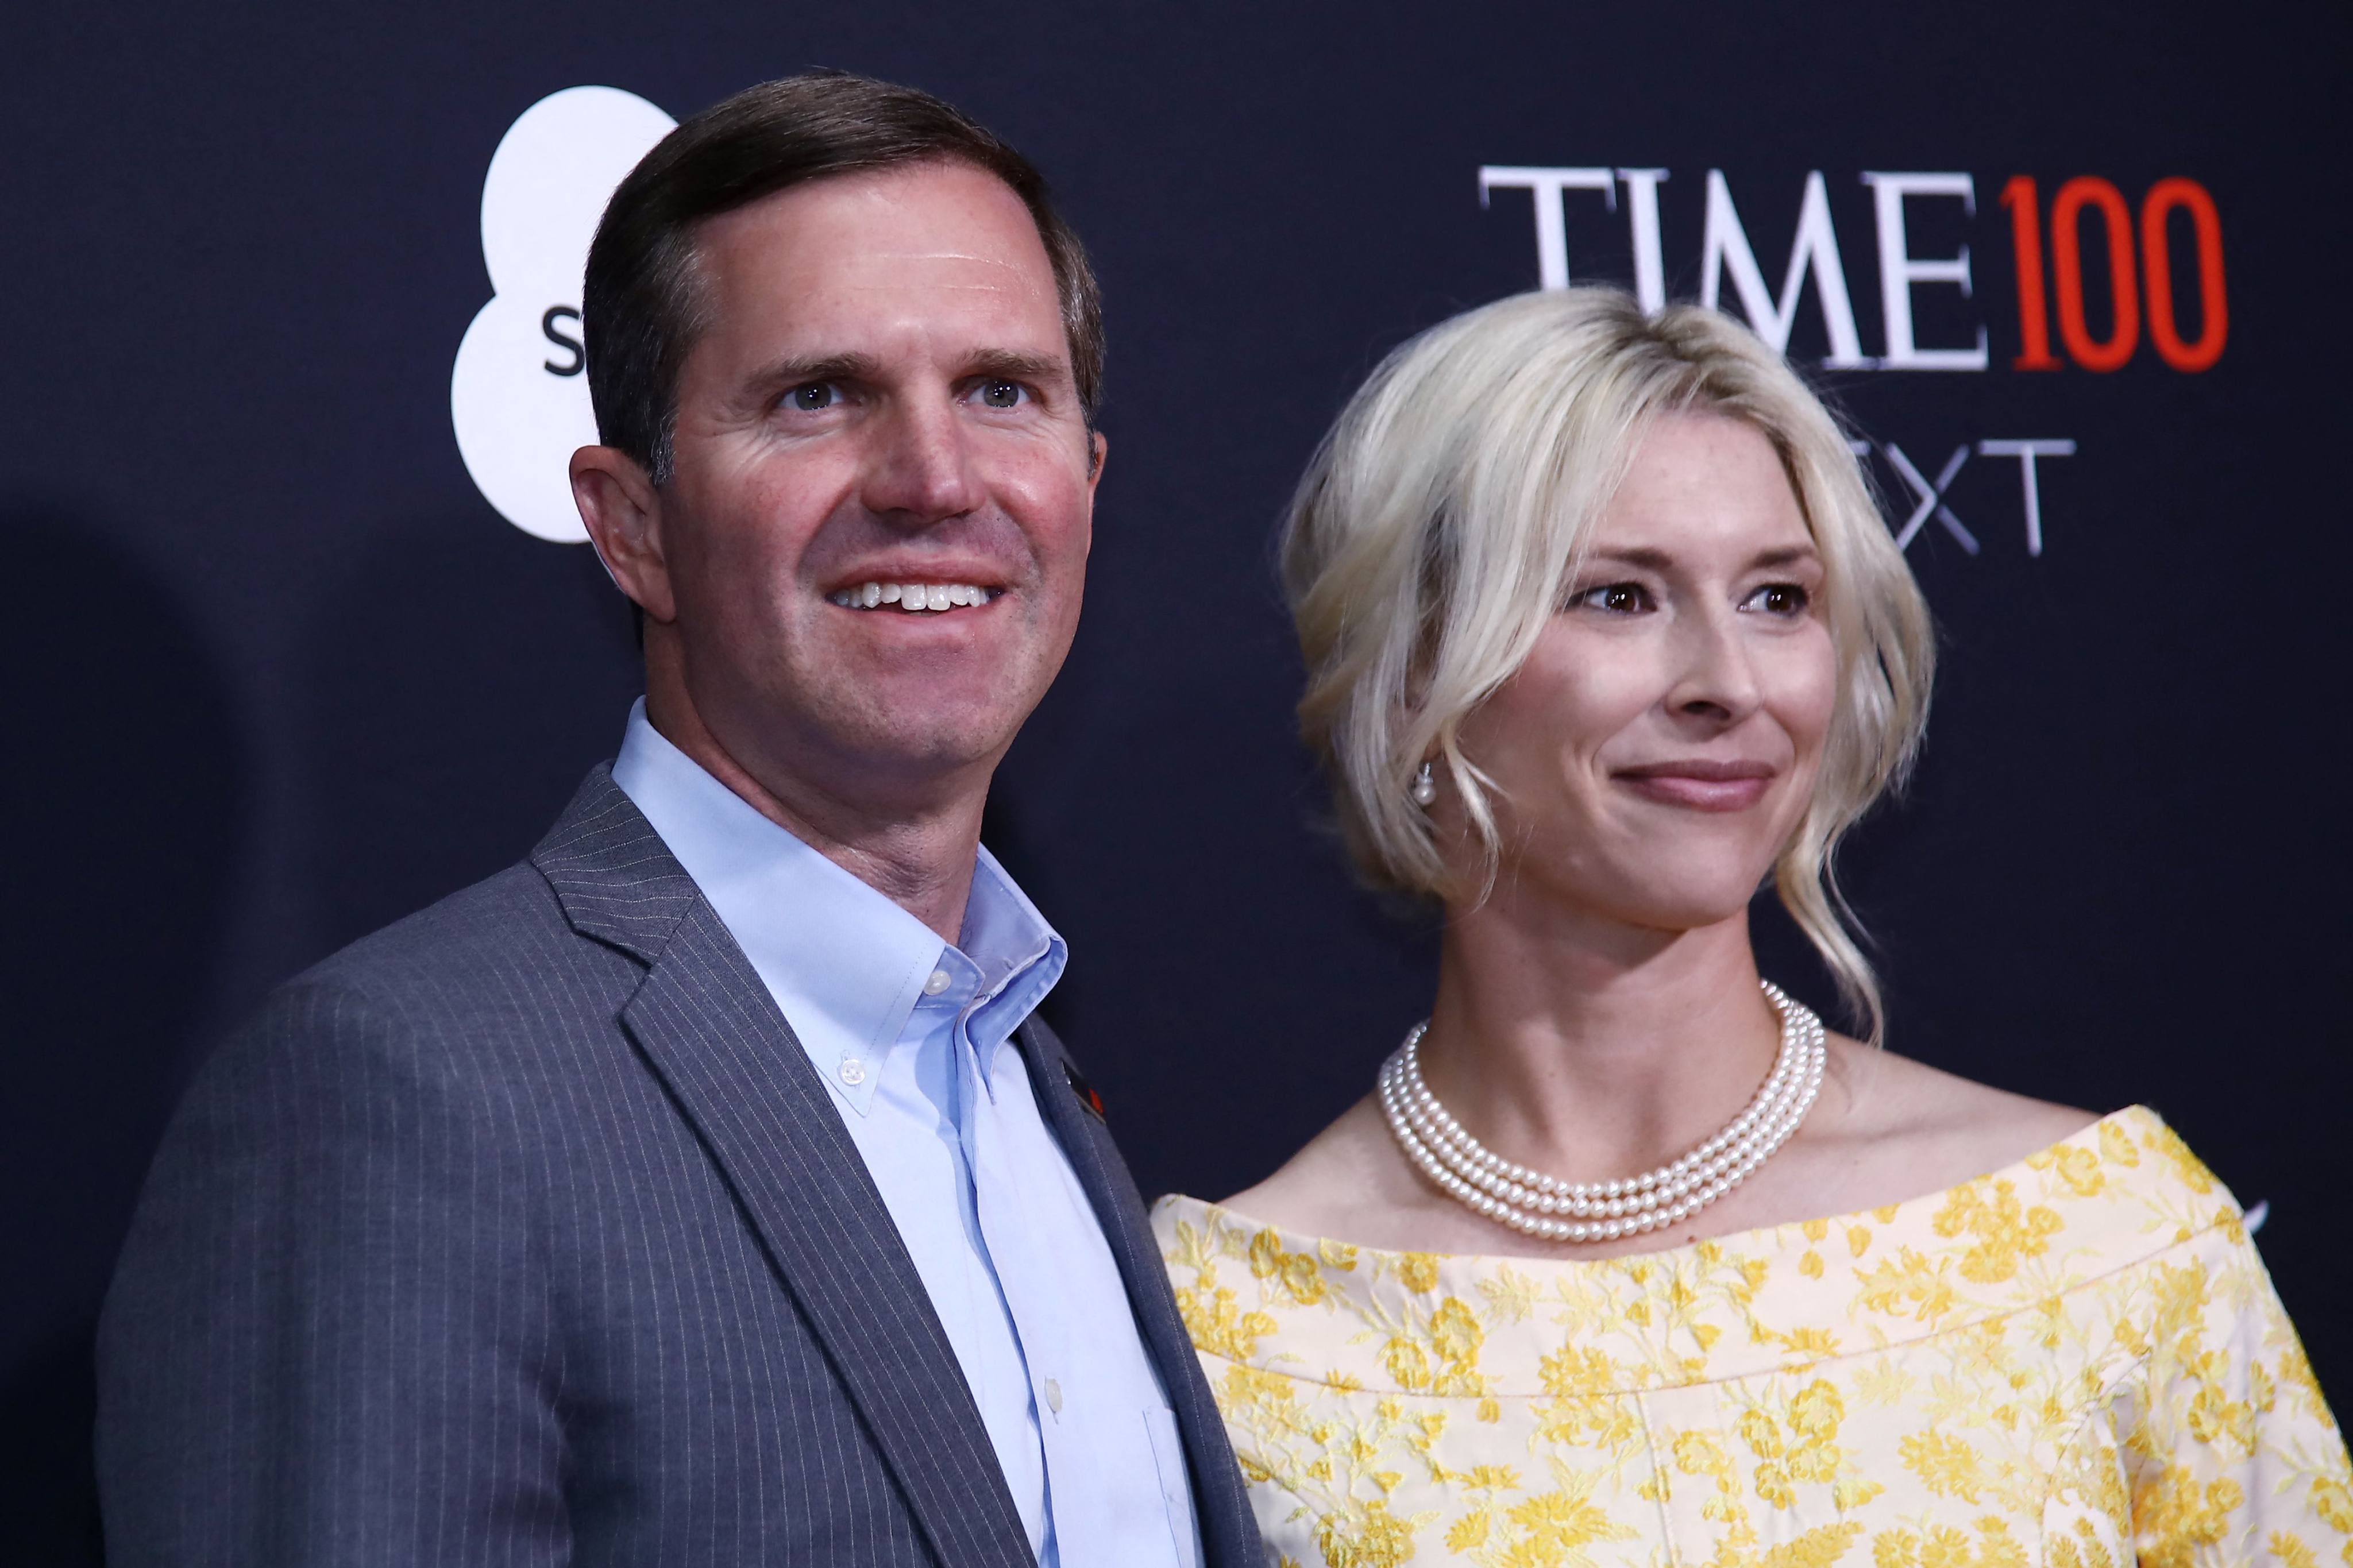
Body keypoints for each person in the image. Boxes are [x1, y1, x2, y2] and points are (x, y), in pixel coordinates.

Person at [99, 72, 1259, 1567]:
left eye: (1001, 390)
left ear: (1086, 485)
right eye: (818, 396)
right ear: (631, 522)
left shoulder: (1034, 1085)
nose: (935, 478)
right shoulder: (397, 1100)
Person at [1154, 288, 2348, 1567]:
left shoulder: (2100, 1237)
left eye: (1777, 599)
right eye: (1617, 597)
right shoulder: (1227, 1332)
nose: (1727, 683)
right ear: (1416, 673)